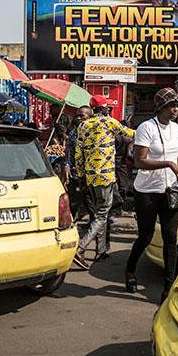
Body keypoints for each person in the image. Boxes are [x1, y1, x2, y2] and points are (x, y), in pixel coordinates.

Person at [125, 88, 178, 304]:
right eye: (172, 106)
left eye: (177, 105)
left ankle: (168, 288)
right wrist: (169, 163)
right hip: (147, 191)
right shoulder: (146, 128)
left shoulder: (176, 128)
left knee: (171, 238)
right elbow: (139, 161)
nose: (176, 109)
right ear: (161, 108)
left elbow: (174, 156)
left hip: (170, 190)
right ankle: (130, 269)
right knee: (146, 236)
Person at [73, 96, 134, 269]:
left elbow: (78, 154)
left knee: (101, 212)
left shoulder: (83, 126)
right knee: (101, 214)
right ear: (104, 109)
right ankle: (81, 248)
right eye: (107, 108)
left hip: (90, 176)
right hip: (106, 176)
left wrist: (81, 177)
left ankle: (101, 250)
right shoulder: (109, 122)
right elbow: (129, 133)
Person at [66, 106, 92, 218]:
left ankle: (92, 221)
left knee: (89, 199)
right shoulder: (73, 133)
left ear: (89, 117)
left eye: (82, 115)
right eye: (77, 115)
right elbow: (69, 149)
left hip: (90, 173)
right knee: (73, 198)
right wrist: (67, 164)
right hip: (75, 171)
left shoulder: (94, 132)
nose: (79, 118)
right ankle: (74, 219)